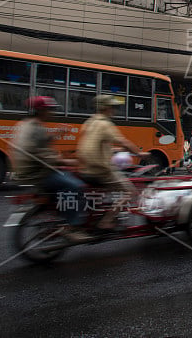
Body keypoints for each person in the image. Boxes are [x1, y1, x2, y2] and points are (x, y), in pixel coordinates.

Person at [11, 96, 92, 242]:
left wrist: (57, 134)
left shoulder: (26, 124)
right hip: (38, 173)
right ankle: (71, 227)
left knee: (68, 176)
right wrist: (69, 161)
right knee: (76, 186)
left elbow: (40, 145)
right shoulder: (36, 128)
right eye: (50, 110)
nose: (52, 113)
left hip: (30, 170)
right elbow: (43, 156)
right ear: (41, 111)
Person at [77, 95, 146, 230]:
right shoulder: (105, 124)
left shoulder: (89, 122)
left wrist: (114, 149)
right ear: (105, 108)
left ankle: (98, 215)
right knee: (130, 192)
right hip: (100, 172)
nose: (114, 110)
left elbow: (96, 144)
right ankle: (106, 221)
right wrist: (140, 153)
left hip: (85, 169)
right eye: (112, 107)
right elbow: (124, 141)